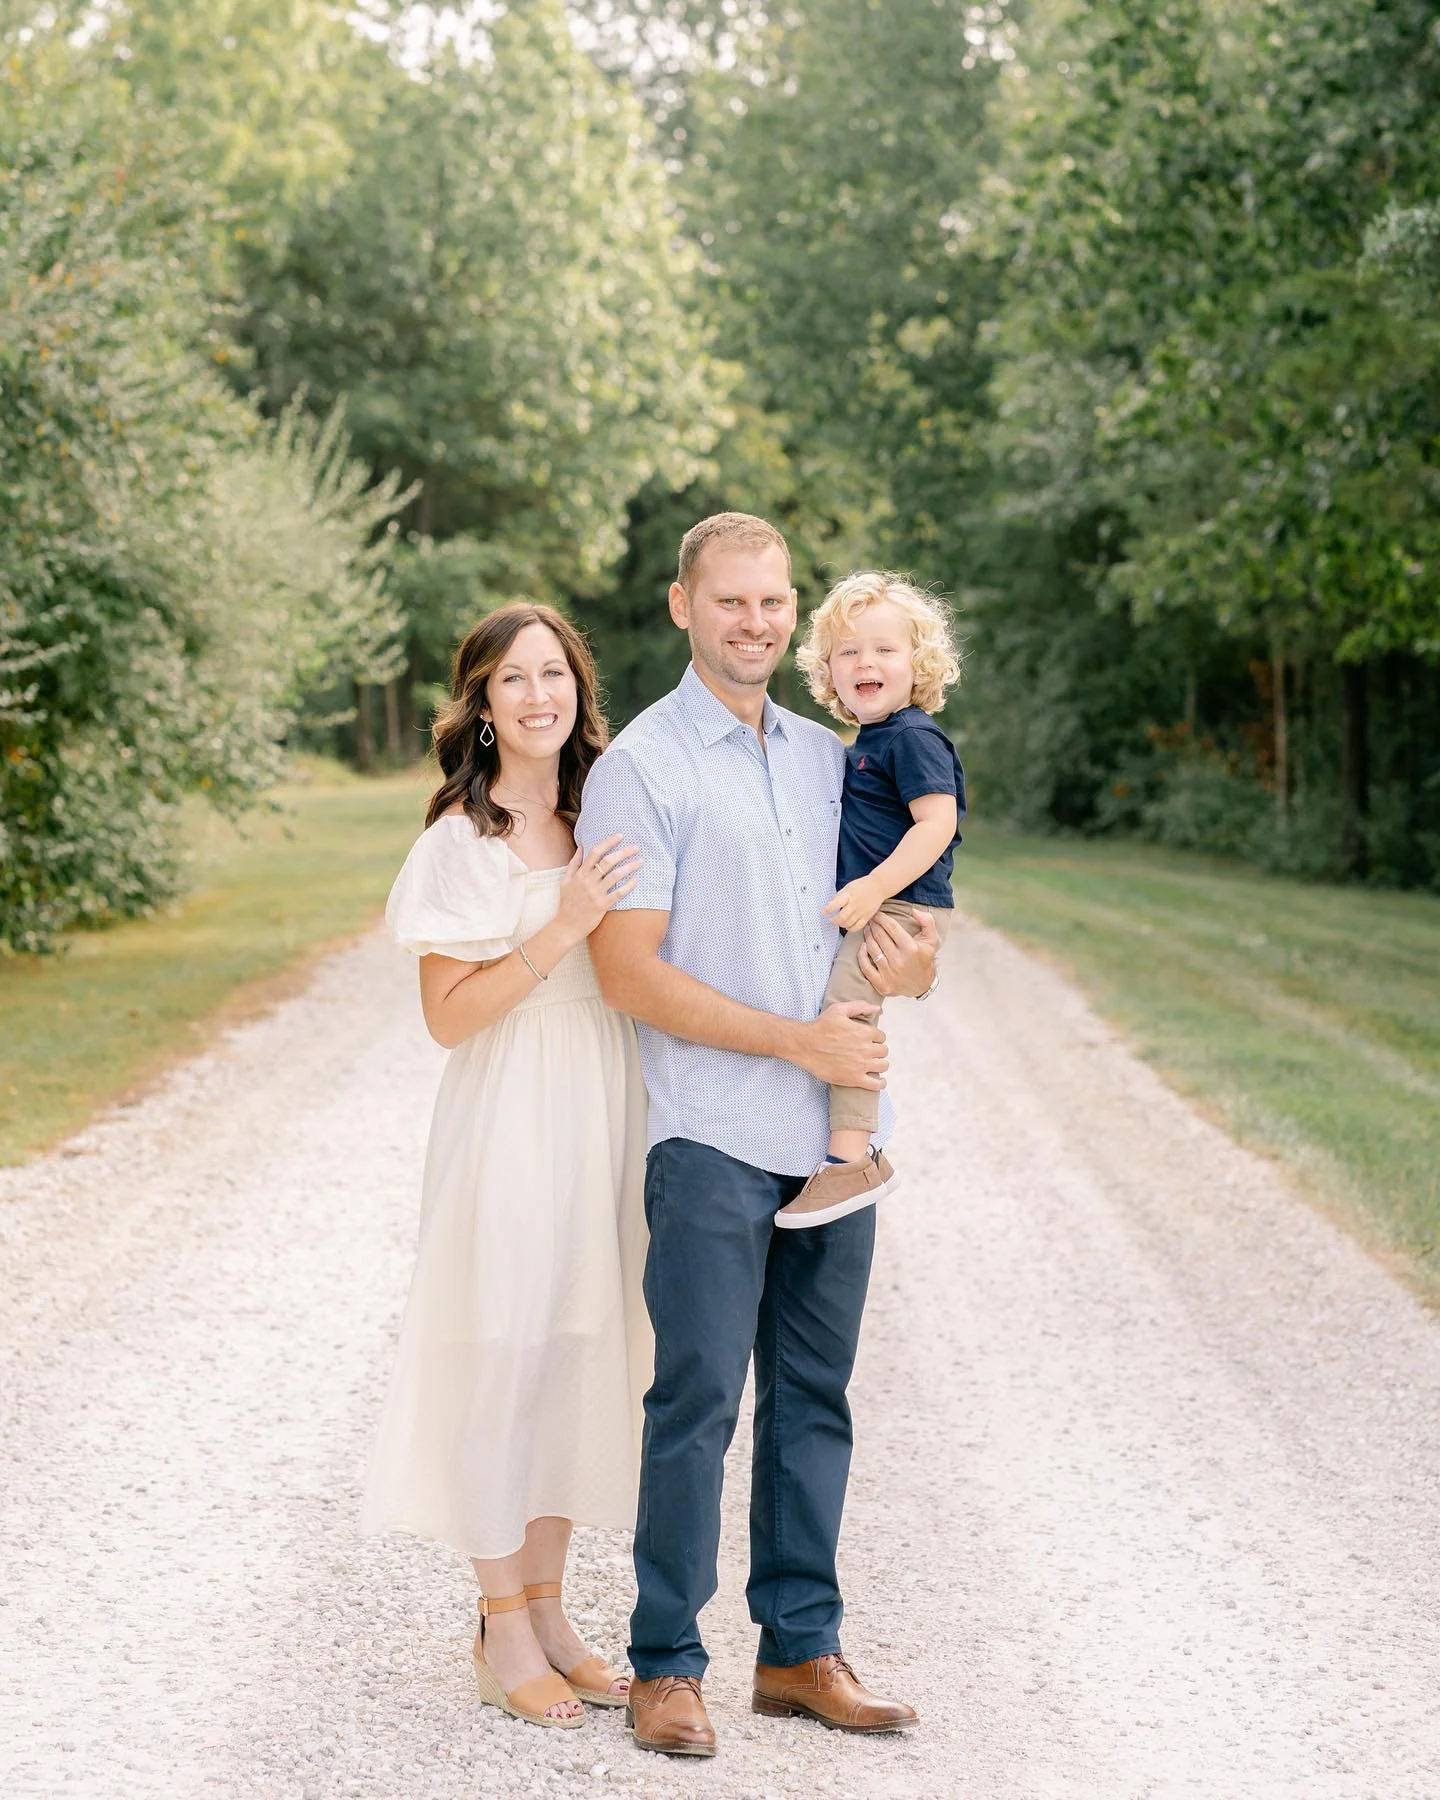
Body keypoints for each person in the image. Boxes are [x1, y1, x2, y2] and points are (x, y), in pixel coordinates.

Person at [578, 512, 940, 1759]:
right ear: (684, 608)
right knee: (695, 1399)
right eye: (730, 602)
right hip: (715, 1132)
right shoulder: (641, 766)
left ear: (796, 609)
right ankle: (665, 1663)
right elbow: (628, 974)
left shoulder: (835, 761)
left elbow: (913, 939)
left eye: (774, 601)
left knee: (814, 1398)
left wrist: (910, 964)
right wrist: (801, 1046)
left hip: (837, 1145)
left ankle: (796, 1650)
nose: (756, 623)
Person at [362, 602, 651, 1730]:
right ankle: (499, 1623)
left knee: (578, 1347)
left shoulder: (603, 810)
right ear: (482, 706)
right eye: (515, 681)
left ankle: (549, 1605)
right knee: (503, 1350)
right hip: (511, 1111)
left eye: (557, 674)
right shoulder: (458, 844)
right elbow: (449, 1018)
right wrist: (565, 923)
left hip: (602, 1097)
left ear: (580, 688)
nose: (541, 696)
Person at [775, 570, 966, 1228]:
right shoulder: (869, 741)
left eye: (884, 649)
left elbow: (937, 824)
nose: (866, 663)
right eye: (849, 651)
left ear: (919, 664)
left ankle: (849, 1163)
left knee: (847, 1015)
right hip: (885, 898)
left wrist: (875, 887)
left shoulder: (912, 737)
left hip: (900, 902)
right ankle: (844, 1150)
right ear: (829, 670)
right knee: (844, 1007)